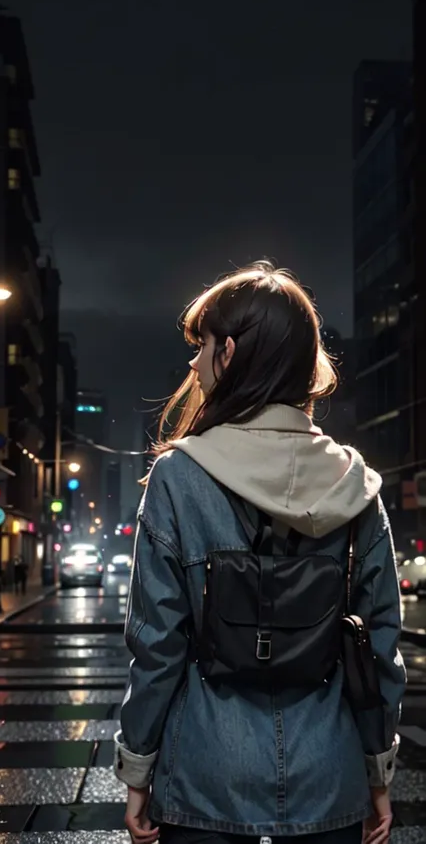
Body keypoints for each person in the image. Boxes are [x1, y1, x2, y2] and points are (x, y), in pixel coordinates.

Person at [114, 262, 406, 844]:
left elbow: (157, 645)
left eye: (200, 347)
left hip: (203, 778)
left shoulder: (179, 476)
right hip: (329, 779)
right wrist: (377, 774)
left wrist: (138, 770)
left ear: (229, 351)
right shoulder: (356, 484)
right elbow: (377, 651)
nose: (193, 364)